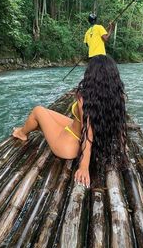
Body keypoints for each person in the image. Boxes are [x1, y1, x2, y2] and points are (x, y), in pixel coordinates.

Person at [13, 55, 127, 187]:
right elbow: (119, 129)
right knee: (46, 112)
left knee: (38, 110)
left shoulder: (85, 97)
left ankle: (21, 133)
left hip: (69, 145)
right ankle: (38, 127)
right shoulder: (119, 97)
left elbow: (88, 133)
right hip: (75, 130)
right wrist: (121, 151)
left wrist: (84, 167)